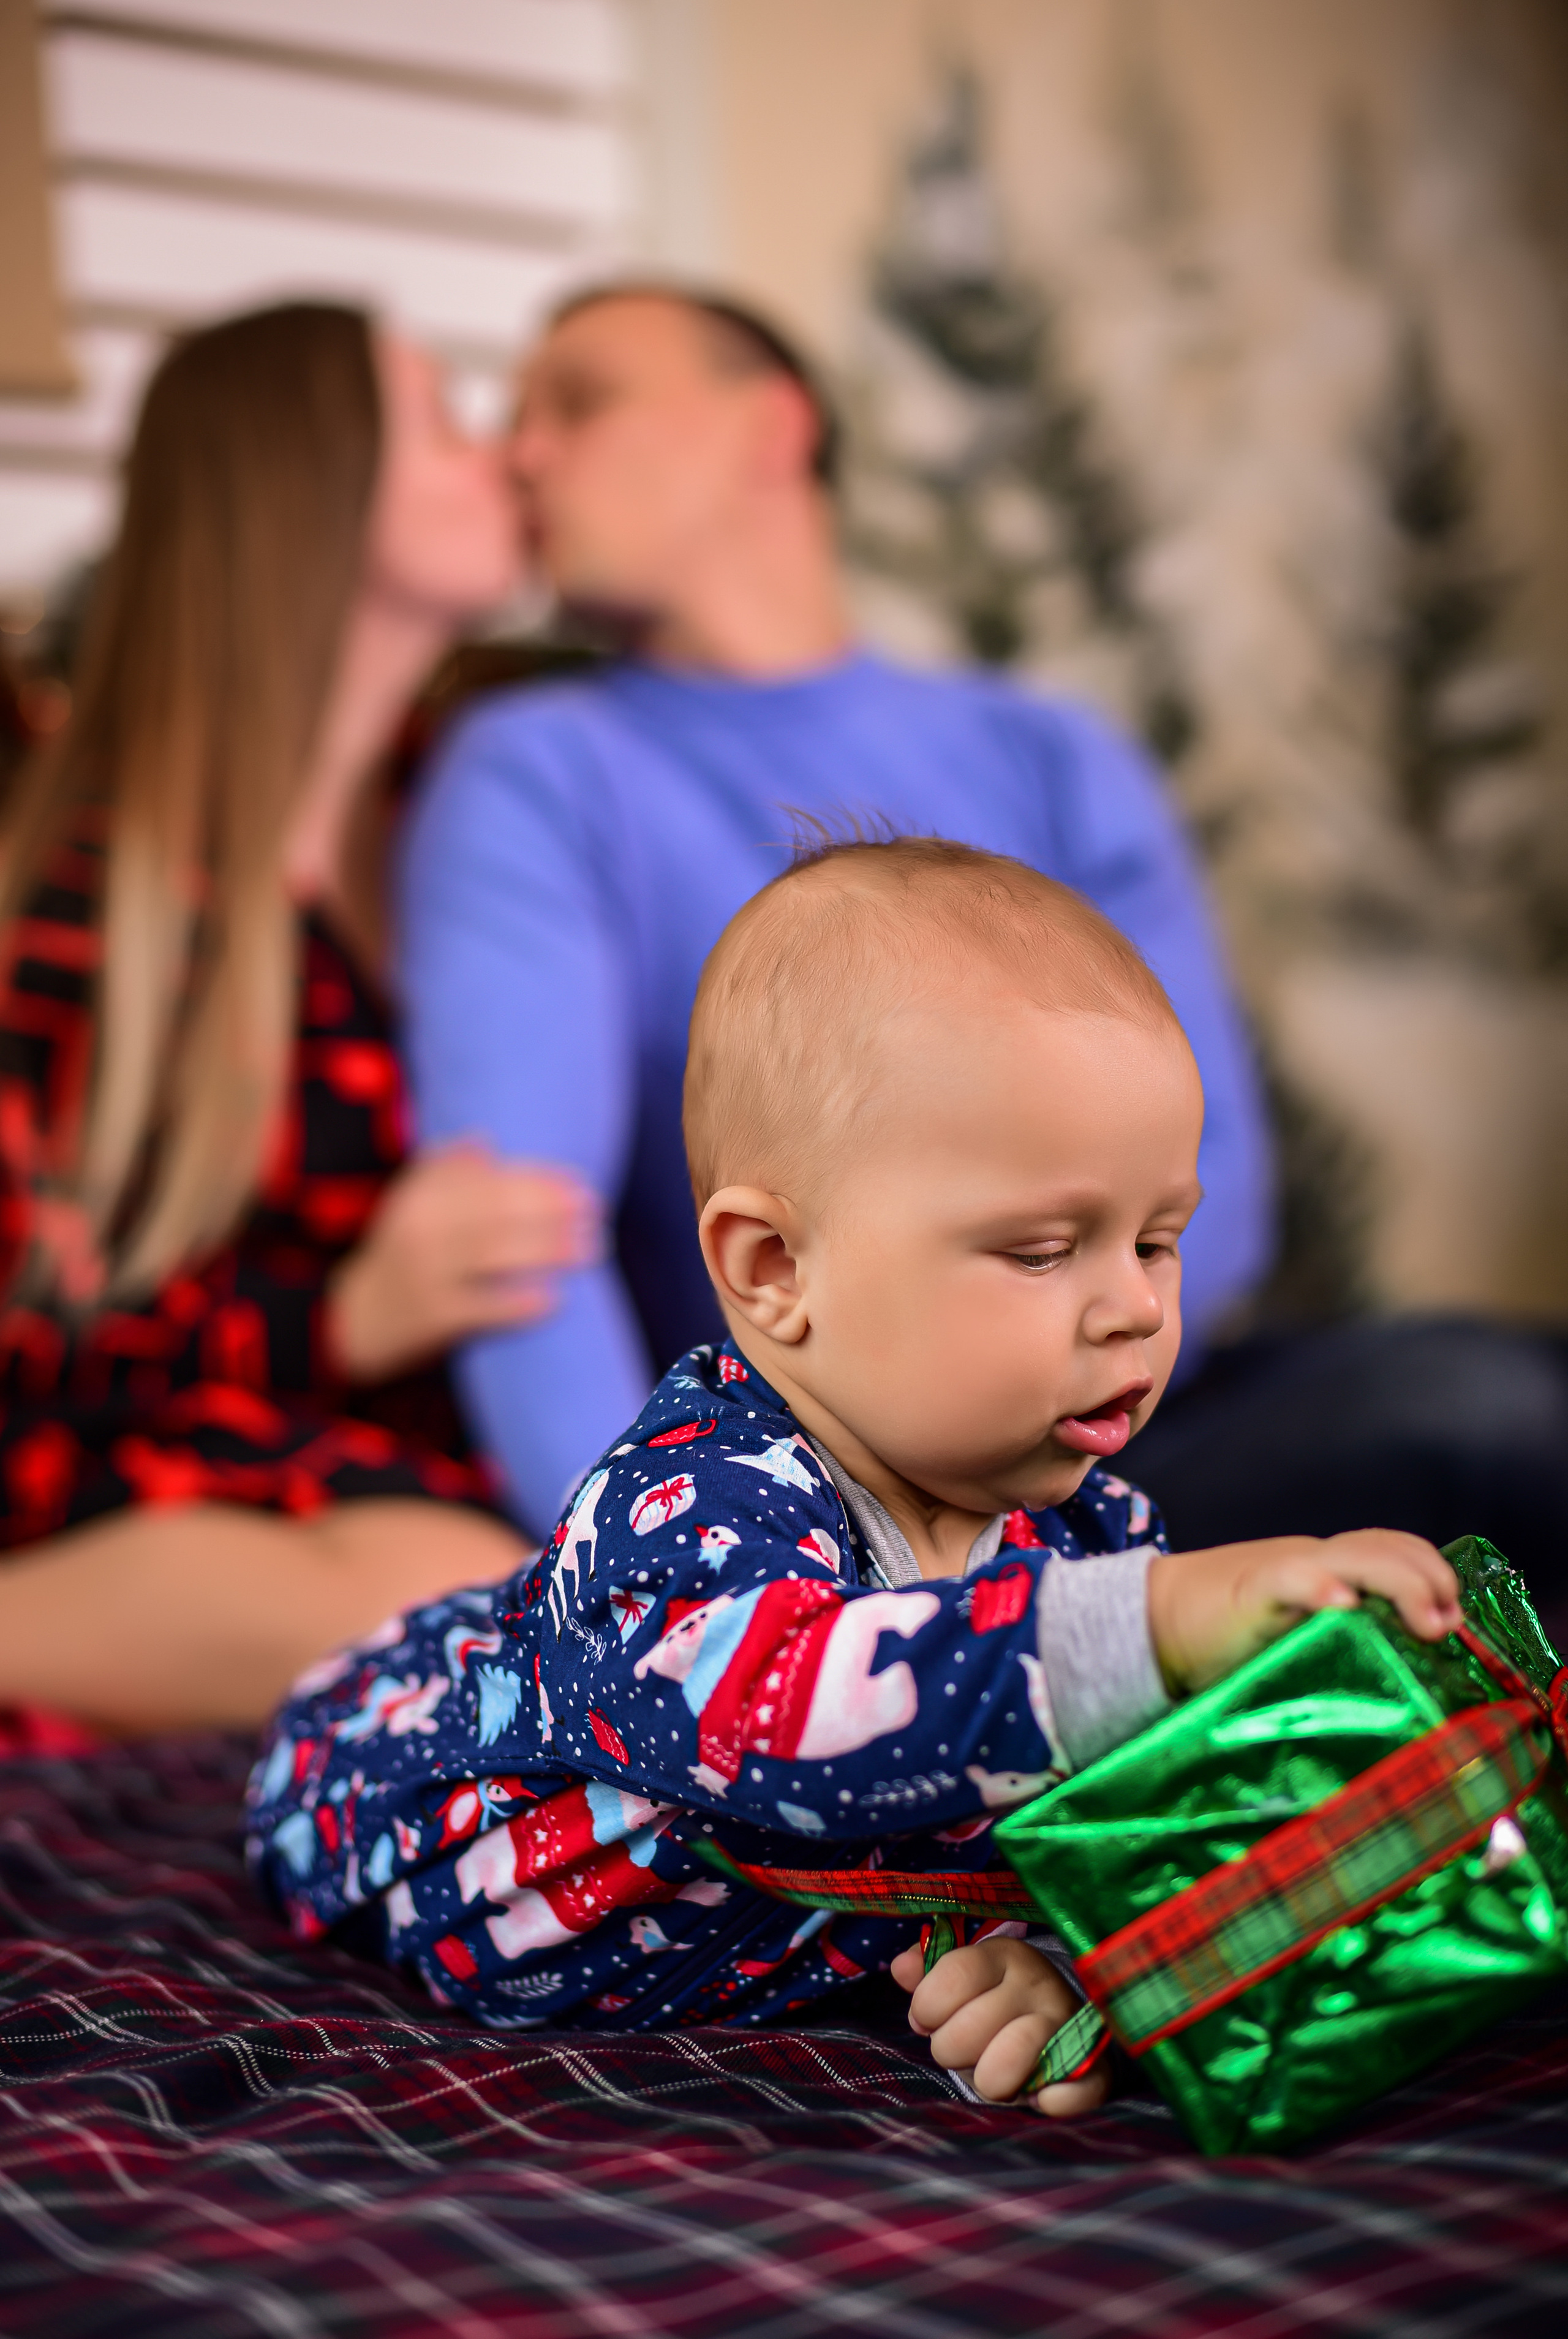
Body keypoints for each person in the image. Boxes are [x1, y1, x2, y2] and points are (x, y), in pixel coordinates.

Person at [402, 280, 1568, 1603]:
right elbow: (517, 1251)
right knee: (1482, 1413)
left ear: (768, 428)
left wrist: (1057, 1394)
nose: (523, 452)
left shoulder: (1047, 752)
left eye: (579, 403)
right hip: (814, 1498)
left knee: (1505, 1393)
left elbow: (1211, 1186)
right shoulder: (540, 774)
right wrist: (661, 1598)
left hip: (1118, 1428)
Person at [251, 839, 1455, 2112]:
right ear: (774, 1271)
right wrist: (1159, 1627)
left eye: (1156, 1241)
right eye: (1043, 1251)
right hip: (397, 1781)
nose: (1132, 1311)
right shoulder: (690, 1497)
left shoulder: (1091, 1536)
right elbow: (791, 1728)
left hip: (784, 1916)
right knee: (504, 1670)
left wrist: (1064, 1963)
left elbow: (1118, 1815)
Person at [0, 302, 598, 1738]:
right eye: (448, 423)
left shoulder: (466, 813)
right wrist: (337, 1318)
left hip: (379, 1501)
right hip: (125, 1523)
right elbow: (31, 1371)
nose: (508, 458)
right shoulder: (101, 912)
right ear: (313, 486)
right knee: (502, 1633)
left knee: (507, 1601)